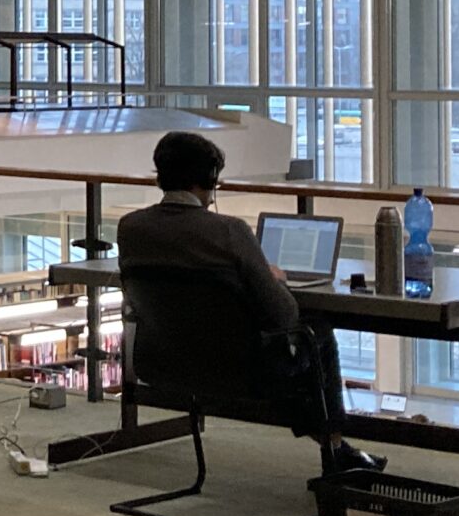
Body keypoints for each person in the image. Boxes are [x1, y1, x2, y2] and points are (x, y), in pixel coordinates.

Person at [114, 129, 384, 476]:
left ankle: (340, 451)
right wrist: (274, 279)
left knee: (298, 359)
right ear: (208, 181)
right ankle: (335, 451)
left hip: (163, 362)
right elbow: (284, 314)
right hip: (239, 371)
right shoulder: (229, 232)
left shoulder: (130, 228)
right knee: (316, 335)